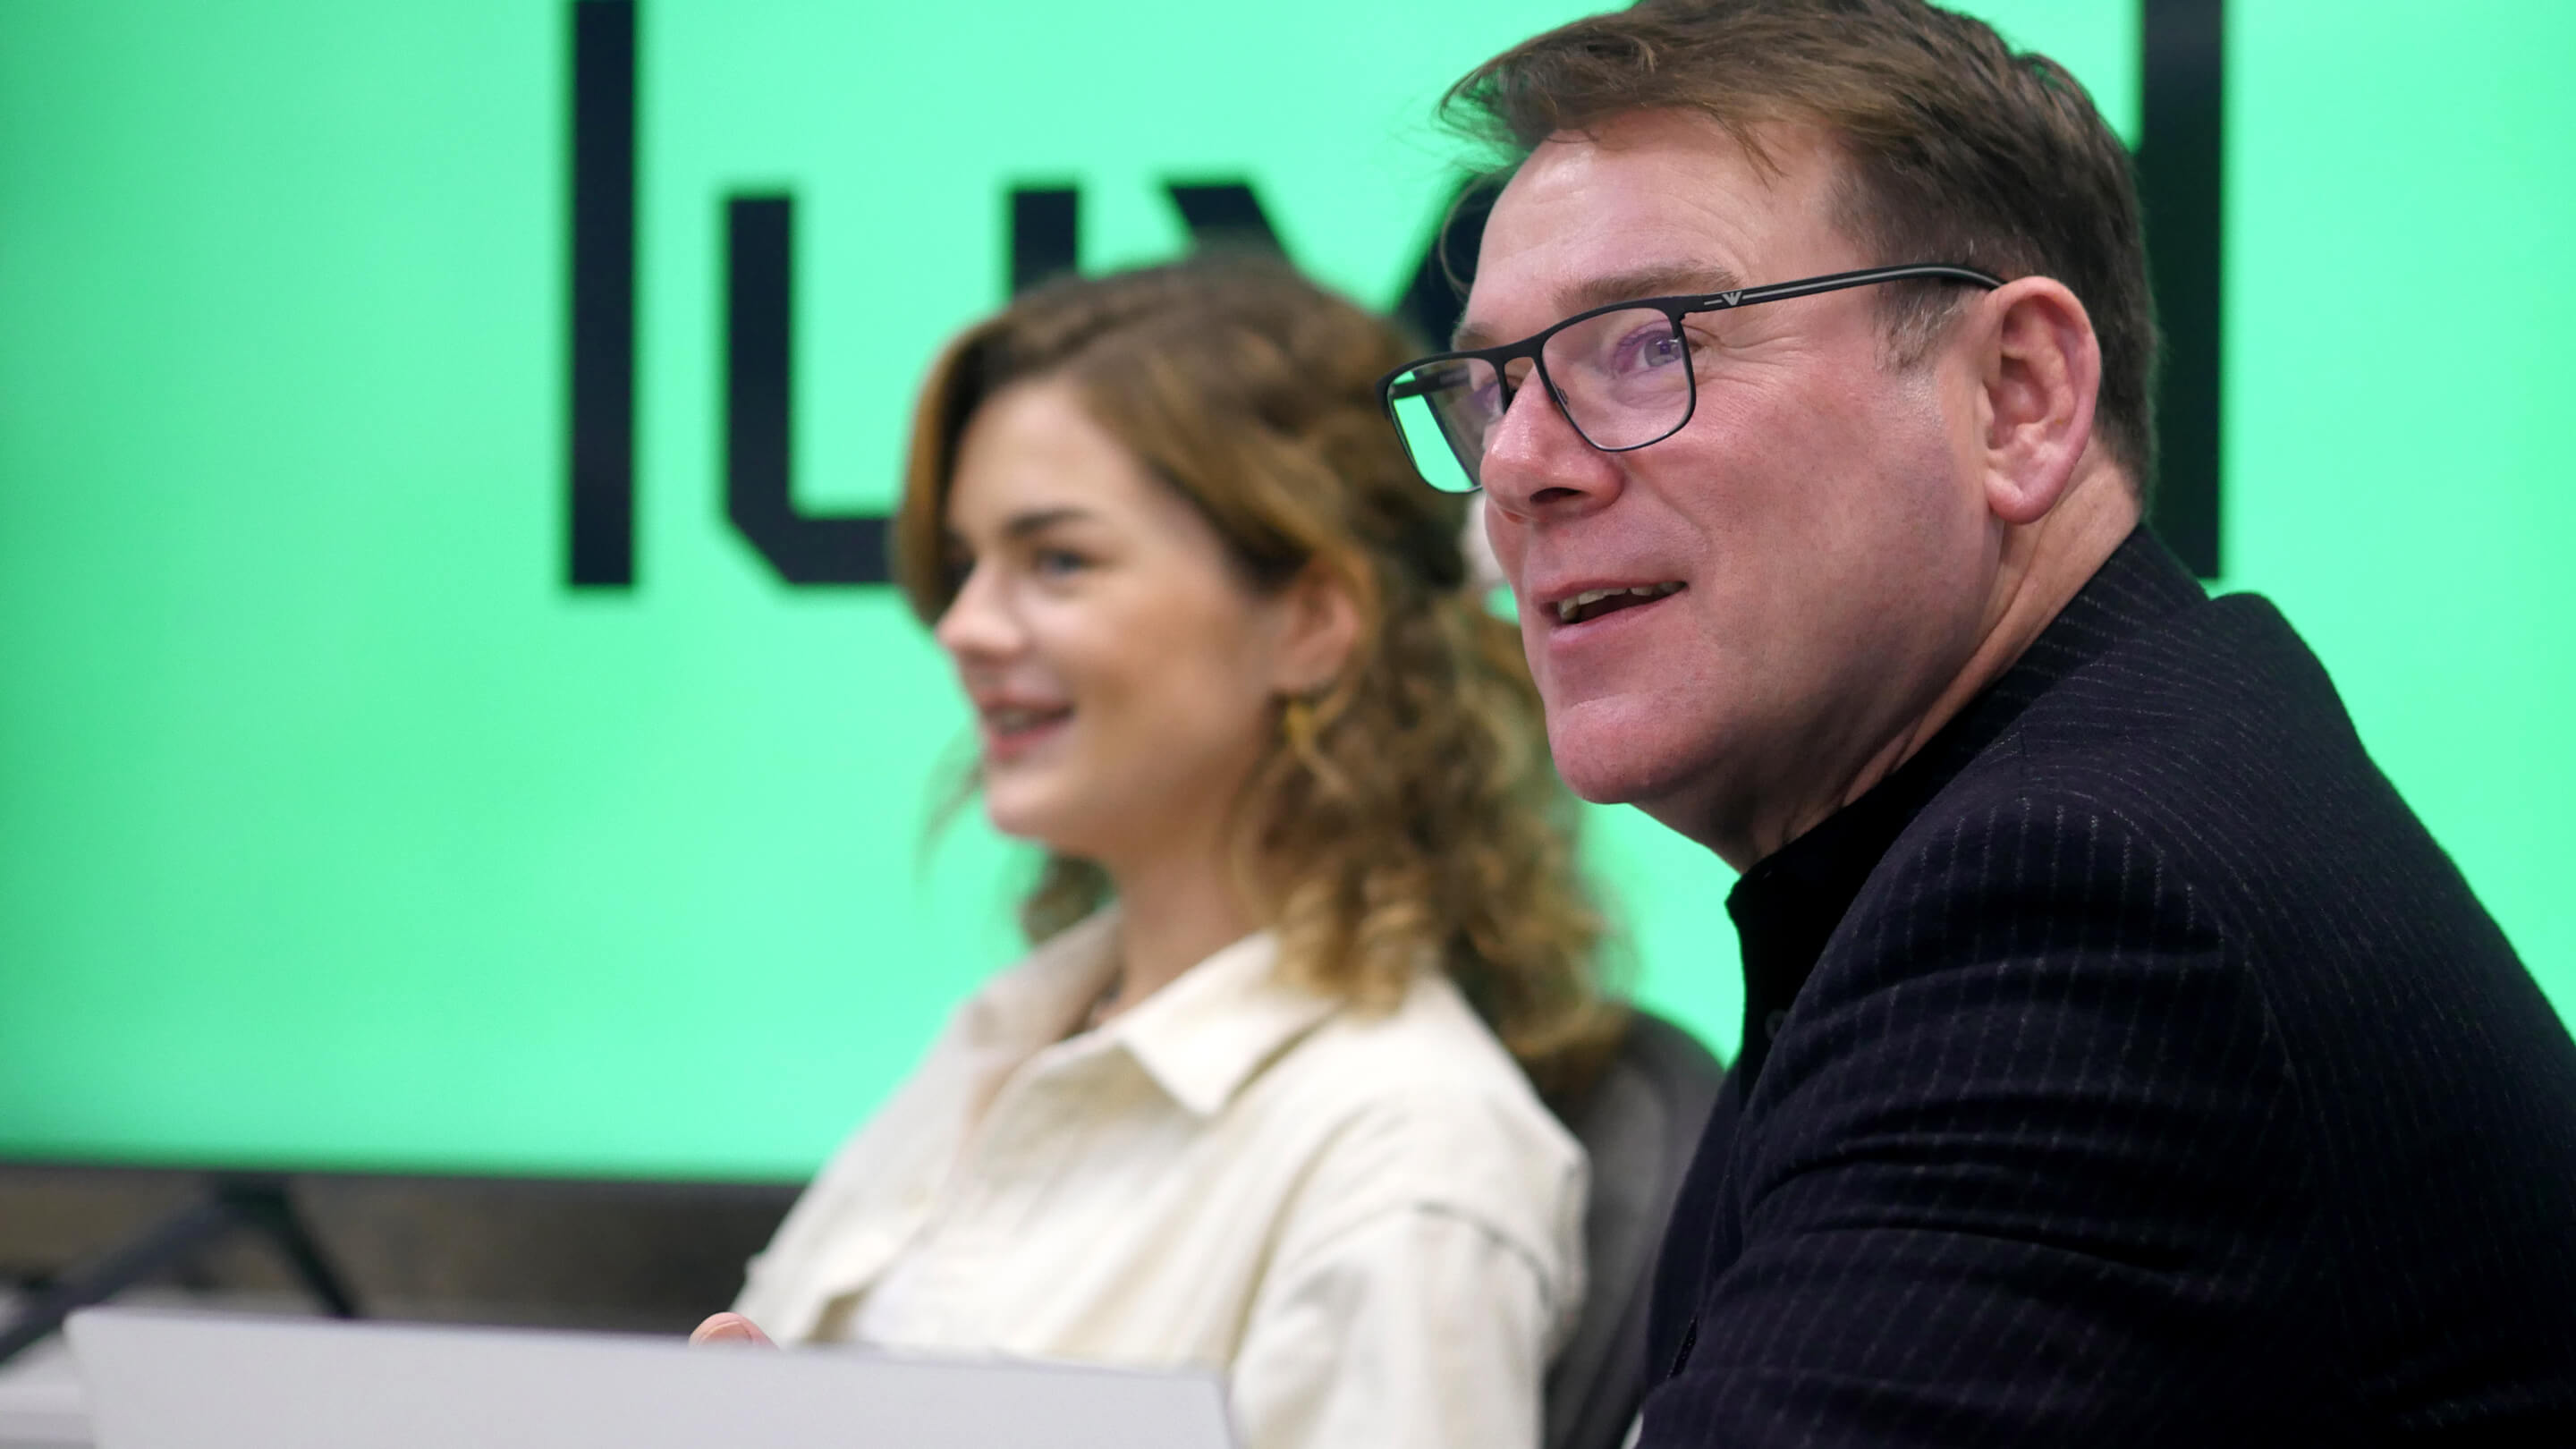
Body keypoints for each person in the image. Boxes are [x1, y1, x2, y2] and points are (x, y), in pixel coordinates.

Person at [1373, 0, 2576, 1442]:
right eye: (1489, 386)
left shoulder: (2084, 905)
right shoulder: (2060, 800)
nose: (1516, 468)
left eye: (1644, 344)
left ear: (2017, 397)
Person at [696, 255, 1622, 1449]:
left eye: (1059, 560)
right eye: (968, 564)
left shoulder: (1405, 1161)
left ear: (1311, 619)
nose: (966, 626)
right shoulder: (1005, 1043)